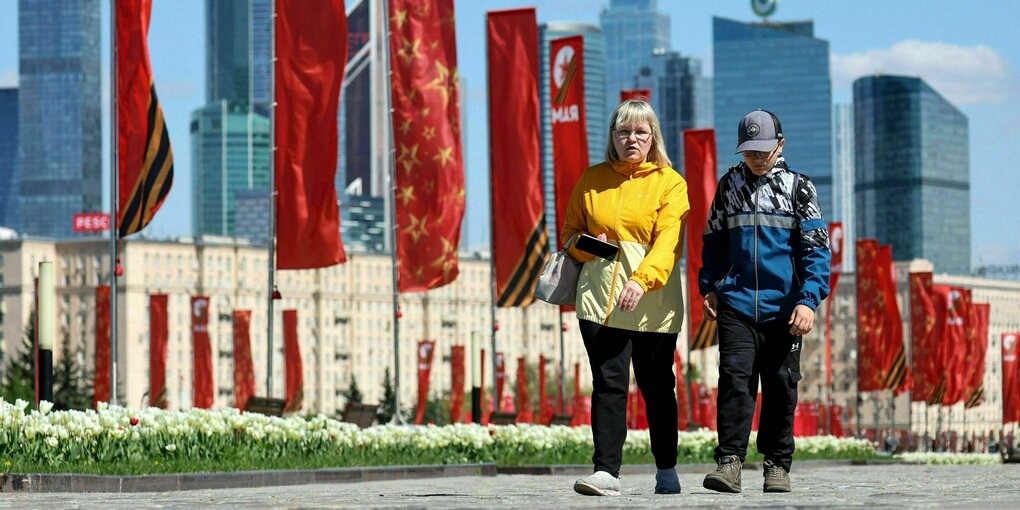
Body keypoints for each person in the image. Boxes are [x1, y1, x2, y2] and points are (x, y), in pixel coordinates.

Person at [562, 98, 690, 496]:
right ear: (612, 137)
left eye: (640, 132)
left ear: (653, 137)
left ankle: (666, 470)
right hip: (599, 300)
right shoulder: (591, 178)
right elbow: (569, 236)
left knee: (656, 387)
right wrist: (588, 246)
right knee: (608, 385)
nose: (631, 138)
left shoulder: (671, 182)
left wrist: (642, 279)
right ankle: (606, 472)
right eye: (623, 131)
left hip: (652, 302)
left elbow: (669, 242)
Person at [699, 109, 830, 493]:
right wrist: (709, 285)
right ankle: (729, 464)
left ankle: (777, 465)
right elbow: (712, 241)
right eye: (749, 151)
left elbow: (817, 252)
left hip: (786, 310)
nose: (756, 158)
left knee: (781, 385)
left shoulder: (799, 189)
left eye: (763, 150)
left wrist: (808, 300)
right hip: (736, 304)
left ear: (780, 145)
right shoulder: (728, 187)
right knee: (735, 382)